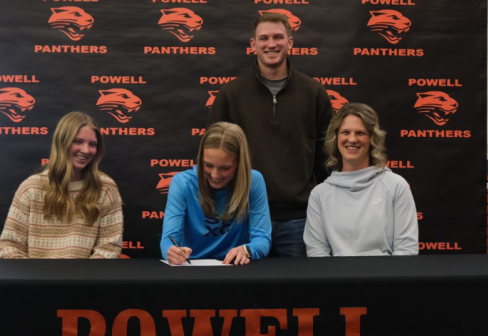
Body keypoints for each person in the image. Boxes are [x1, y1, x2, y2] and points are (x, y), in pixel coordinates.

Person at [208, 13, 333, 257]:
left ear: (290, 42)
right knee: (243, 293)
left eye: (278, 37)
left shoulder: (314, 92)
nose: (271, 44)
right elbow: (213, 156)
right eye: (263, 38)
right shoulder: (231, 94)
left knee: (296, 294)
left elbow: (326, 157)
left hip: (299, 219)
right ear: (253, 45)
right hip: (243, 217)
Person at [0, 112, 124, 259]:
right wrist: (34, 278)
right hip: (35, 279)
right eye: (78, 141)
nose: (86, 150)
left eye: (92, 144)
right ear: (62, 142)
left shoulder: (106, 188)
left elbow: (109, 249)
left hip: (85, 279)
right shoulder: (31, 187)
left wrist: (81, 279)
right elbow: (10, 247)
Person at [303, 103, 419, 256]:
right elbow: (317, 252)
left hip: (386, 278)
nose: (352, 139)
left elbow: (406, 250)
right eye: (345, 132)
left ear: (372, 139)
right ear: (336, 138)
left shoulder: (396, 186)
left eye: (360, 133)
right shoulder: (320, 194)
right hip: (337, 278)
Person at [160, 122, 272, 265]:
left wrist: (247, 250)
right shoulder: (182, 183)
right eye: (208, 165)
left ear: (239, 164)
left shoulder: (253, 181)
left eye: (225, 168)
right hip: (191, 267)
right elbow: (168, 240)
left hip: (234, 267)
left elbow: (263, 238)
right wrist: (172, 252)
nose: (215, 175)